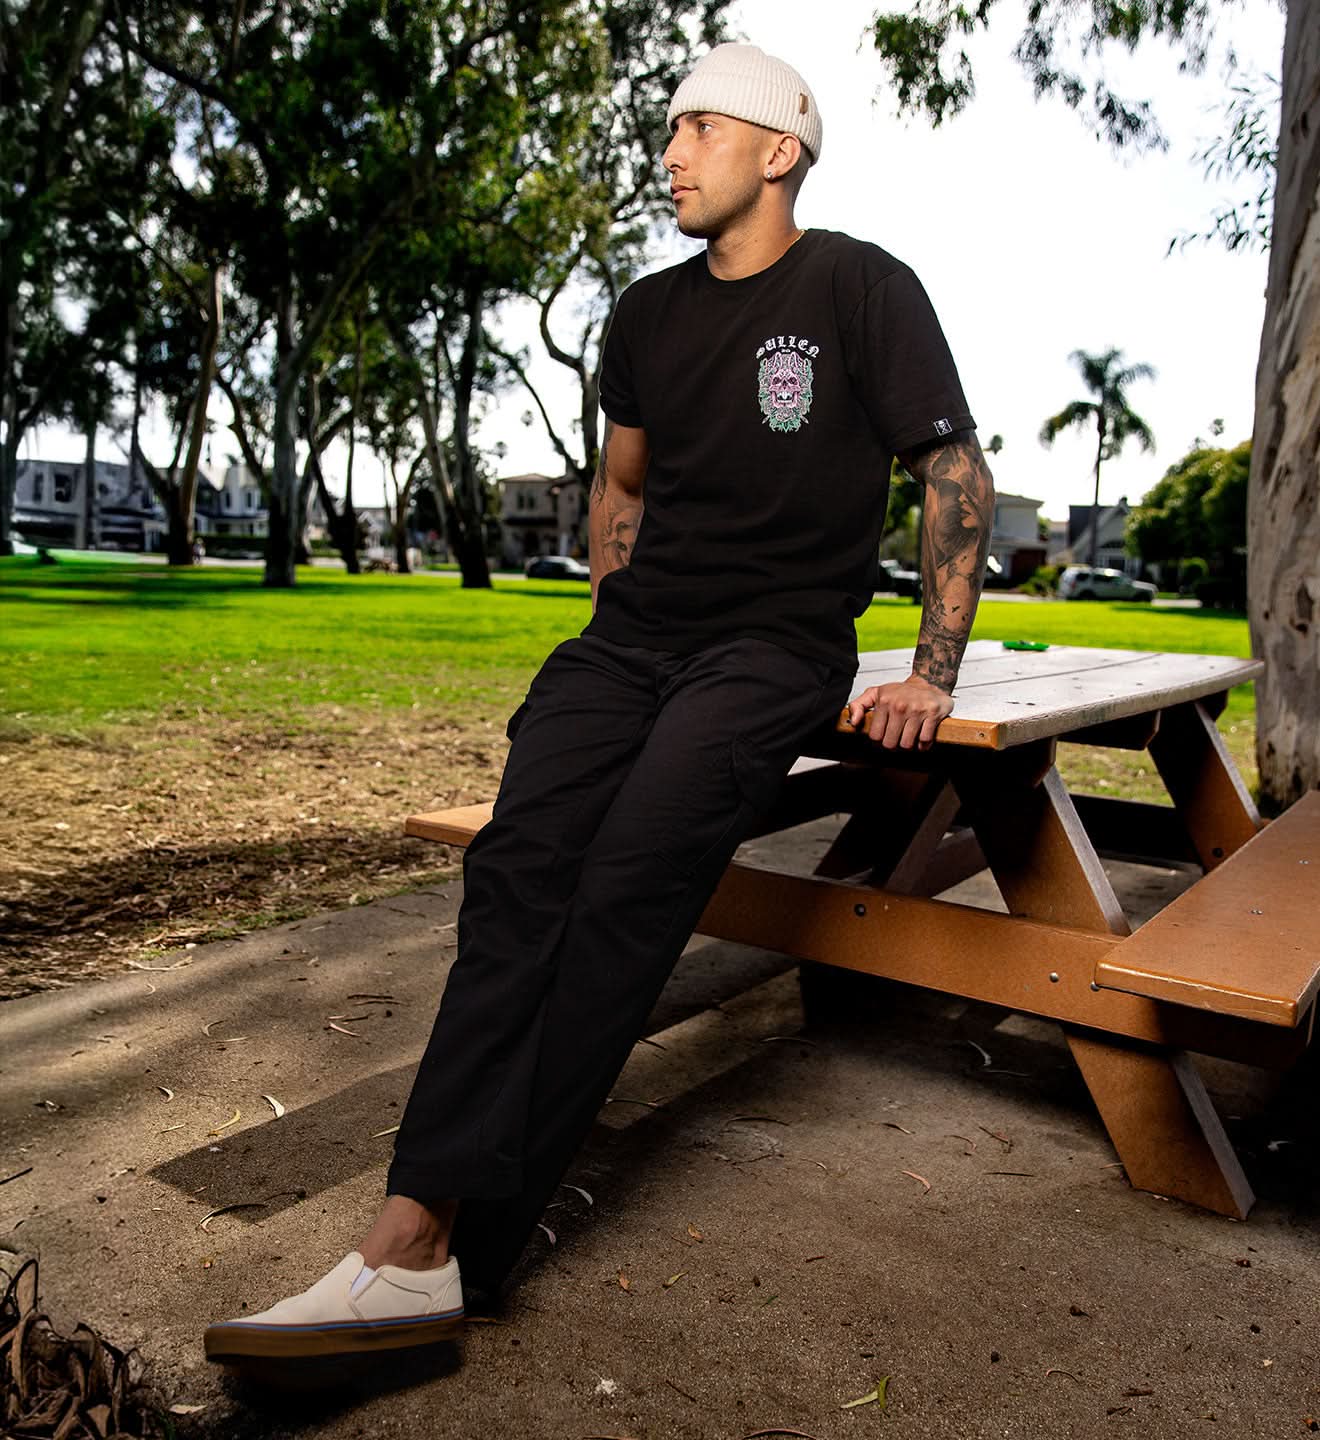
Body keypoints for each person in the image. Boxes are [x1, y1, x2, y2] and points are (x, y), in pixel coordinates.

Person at [204, 41, 993, 1371]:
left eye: (696, 128)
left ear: (778, 150)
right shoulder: (645, 314)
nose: (669, 153)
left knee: (629, 877)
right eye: (668, 131)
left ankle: (428, 1243)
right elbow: (621, 485)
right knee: (522, 866)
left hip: (771, 649)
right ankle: (430, 1253)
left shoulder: (860, 285)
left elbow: (951, 472)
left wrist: (931, 671)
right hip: (630, 647)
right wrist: (608, 630)